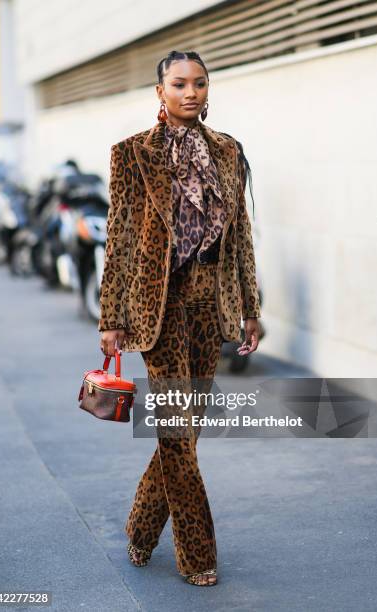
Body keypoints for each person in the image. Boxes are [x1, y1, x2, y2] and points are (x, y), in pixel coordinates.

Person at [99, 50, 262, 587]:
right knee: (175, 429)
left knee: (185, 433)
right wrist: (112, 314)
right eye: (178, 84)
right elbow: (118, 242)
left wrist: (250, 308)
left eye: (199, 83)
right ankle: (198, 554)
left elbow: (240, 238)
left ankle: (140, 530)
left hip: (208, 303)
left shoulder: (228, 152)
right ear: (160, 91)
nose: (190, 92)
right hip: (158, 307)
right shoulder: (132, 154)